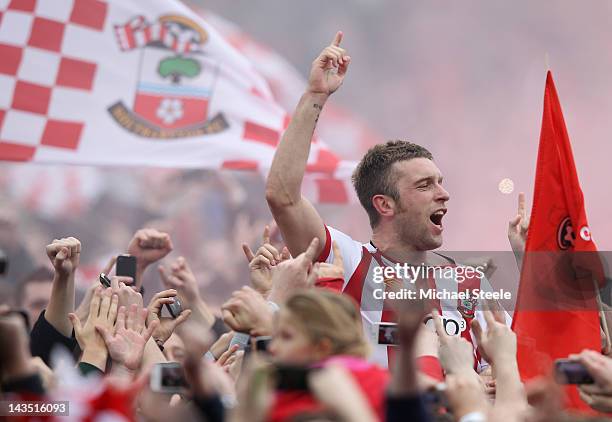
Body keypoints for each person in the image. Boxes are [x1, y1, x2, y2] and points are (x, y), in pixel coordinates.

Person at [265, 32, 508, 369]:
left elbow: (505, 366)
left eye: (441, 182)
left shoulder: (471, 282)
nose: (443, 193)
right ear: (385, 205)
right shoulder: (348, 262)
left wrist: (493, 382)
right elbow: (283, 197)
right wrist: (315, 95)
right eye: (424, 185)